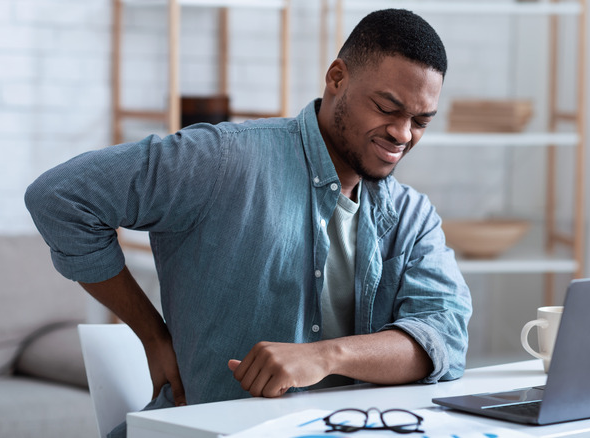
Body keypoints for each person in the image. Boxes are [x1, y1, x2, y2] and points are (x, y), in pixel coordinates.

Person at [25, 8, 471, 436]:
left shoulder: (413, 217)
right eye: (387, 108)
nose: (403, 133)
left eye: (420, 121)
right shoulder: (224, 159)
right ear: (337, 78)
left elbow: (443, 337)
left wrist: (325, 357)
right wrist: (153, 335)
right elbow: (60, 198)